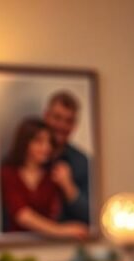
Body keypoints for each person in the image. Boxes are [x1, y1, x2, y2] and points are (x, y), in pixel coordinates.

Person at [0, 118, 88, 240]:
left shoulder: (53, 173)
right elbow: (22, 215)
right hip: (18, 243)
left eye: (49, 142)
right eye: (39, 141)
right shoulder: (8, 173)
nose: (46, 147)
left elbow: (84, 212)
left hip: (48, 244)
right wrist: (61, 230)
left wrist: (67, 185)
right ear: (25, 143)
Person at [42, 91, 91, 224]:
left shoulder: (82, 161)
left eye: (68, 121)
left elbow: (91, 215)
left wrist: (68, 187)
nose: (62, 126)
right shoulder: (26, 156)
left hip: (69, 241)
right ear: (46, 116)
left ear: (74, 125)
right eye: (57, 118)